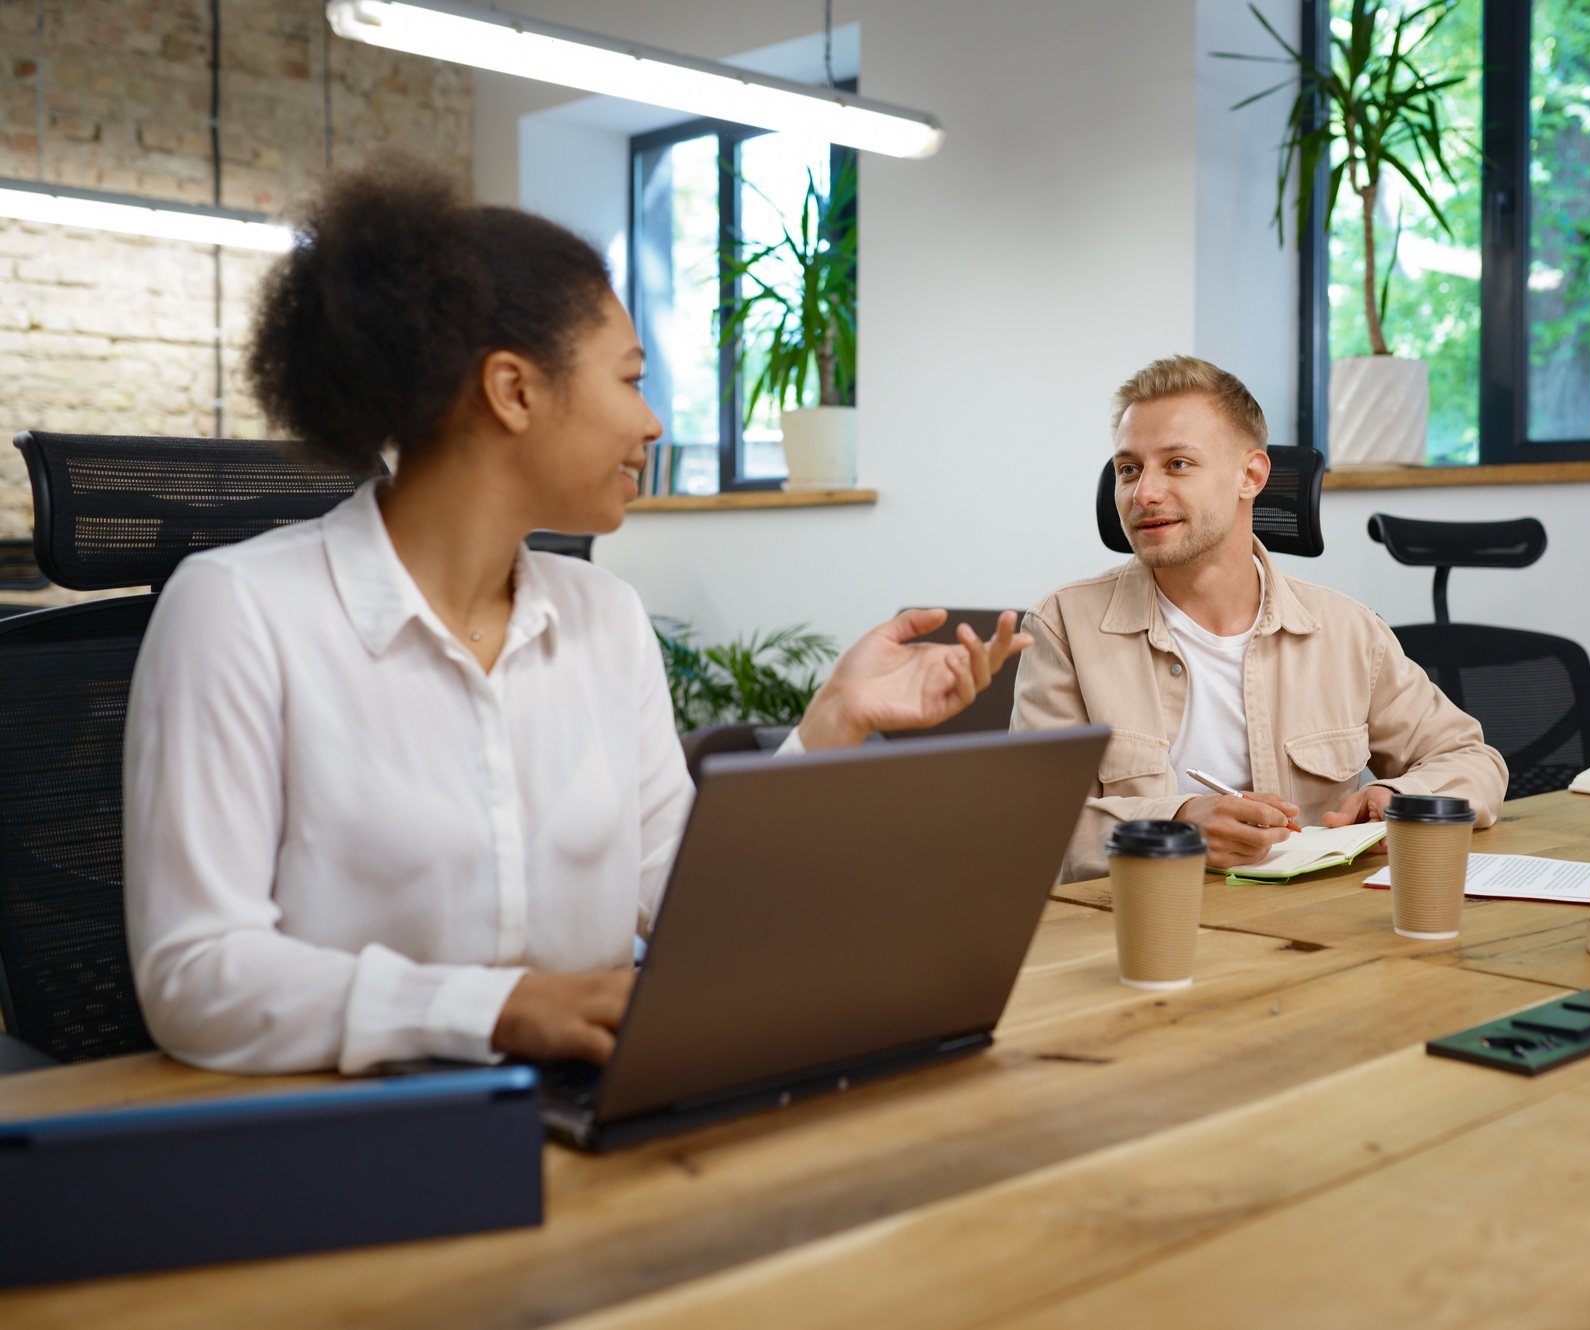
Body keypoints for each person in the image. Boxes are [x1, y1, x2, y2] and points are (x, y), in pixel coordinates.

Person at [124, 157, 1028, 1076]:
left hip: (599, 1106)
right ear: (513, 390)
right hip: (352, 1134)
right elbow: (196, 976)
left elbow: (682, 895)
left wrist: (830, 725)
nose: (654, 425)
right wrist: (501, 1009)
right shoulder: (240, 612)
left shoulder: (605, 615)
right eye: (630, 380)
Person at [1011, 355, 1505, 883]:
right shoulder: (1064, 625)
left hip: (1311, 930)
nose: (1143, 493)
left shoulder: (1347, 630)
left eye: (1177, 463)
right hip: (1147, 924)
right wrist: (1178, 827)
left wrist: (1396, 796)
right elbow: (1030, 824)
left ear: (1250, 475)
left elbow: (1472, 760)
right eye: (1129, 469)